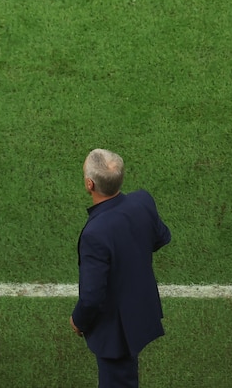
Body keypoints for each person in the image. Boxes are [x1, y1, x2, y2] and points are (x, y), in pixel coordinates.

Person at [70, 149, 172, 387]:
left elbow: (92, 298)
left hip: (116, 329)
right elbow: (161, 237)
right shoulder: (143, 201)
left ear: (89, 184)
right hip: (140, 307)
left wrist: (78, 320)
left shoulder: (94, 233)